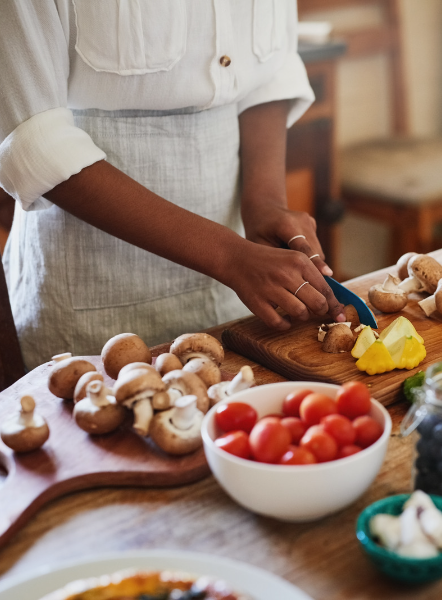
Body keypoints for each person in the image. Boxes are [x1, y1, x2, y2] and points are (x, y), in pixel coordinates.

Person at [0, 1, 346, 371]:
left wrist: (266, 202)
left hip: (240, 285)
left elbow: (270, 71)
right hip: (90, 294)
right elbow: (32, 139)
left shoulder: (244, 264)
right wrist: (228, 255)